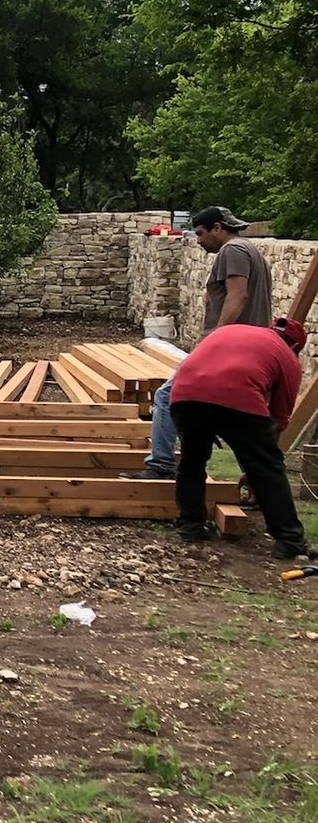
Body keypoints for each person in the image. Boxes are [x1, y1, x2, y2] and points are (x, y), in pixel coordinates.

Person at [144, 206, 274, 479]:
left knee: (168, 396)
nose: (199, 240)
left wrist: (215, 340)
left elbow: (238, 296)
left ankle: (160, 464)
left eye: (201, 233)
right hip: (252, 348)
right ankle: (258, 481)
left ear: (218, 228)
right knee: (239, 417)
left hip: (230, 347)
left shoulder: (232, 251)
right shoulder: (251, 252)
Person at [170, 316, 310, 560]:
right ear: (296, 347)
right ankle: (289, 540)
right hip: (237, 398)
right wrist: (257, 464)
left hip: (184, 394)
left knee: (192, 461)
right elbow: (279, 418)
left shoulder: (231, 330)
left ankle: (190, 526)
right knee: (268, 469)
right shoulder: (288, 357)